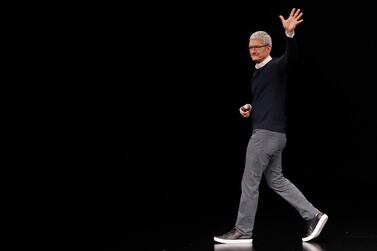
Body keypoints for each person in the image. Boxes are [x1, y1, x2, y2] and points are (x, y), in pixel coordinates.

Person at [213, 8, 328, 244]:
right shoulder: (258, 74)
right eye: (250, 47)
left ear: (268, 48)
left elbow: (291, 58)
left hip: (265, 136)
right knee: (276, 180)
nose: (252, 50)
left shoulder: (275, 66)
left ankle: (243, 231)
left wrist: (289, 35)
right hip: (275, 135)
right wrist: (250, 107)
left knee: (249, 181)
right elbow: (267, 99)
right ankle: (314, 215)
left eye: (257, 46)